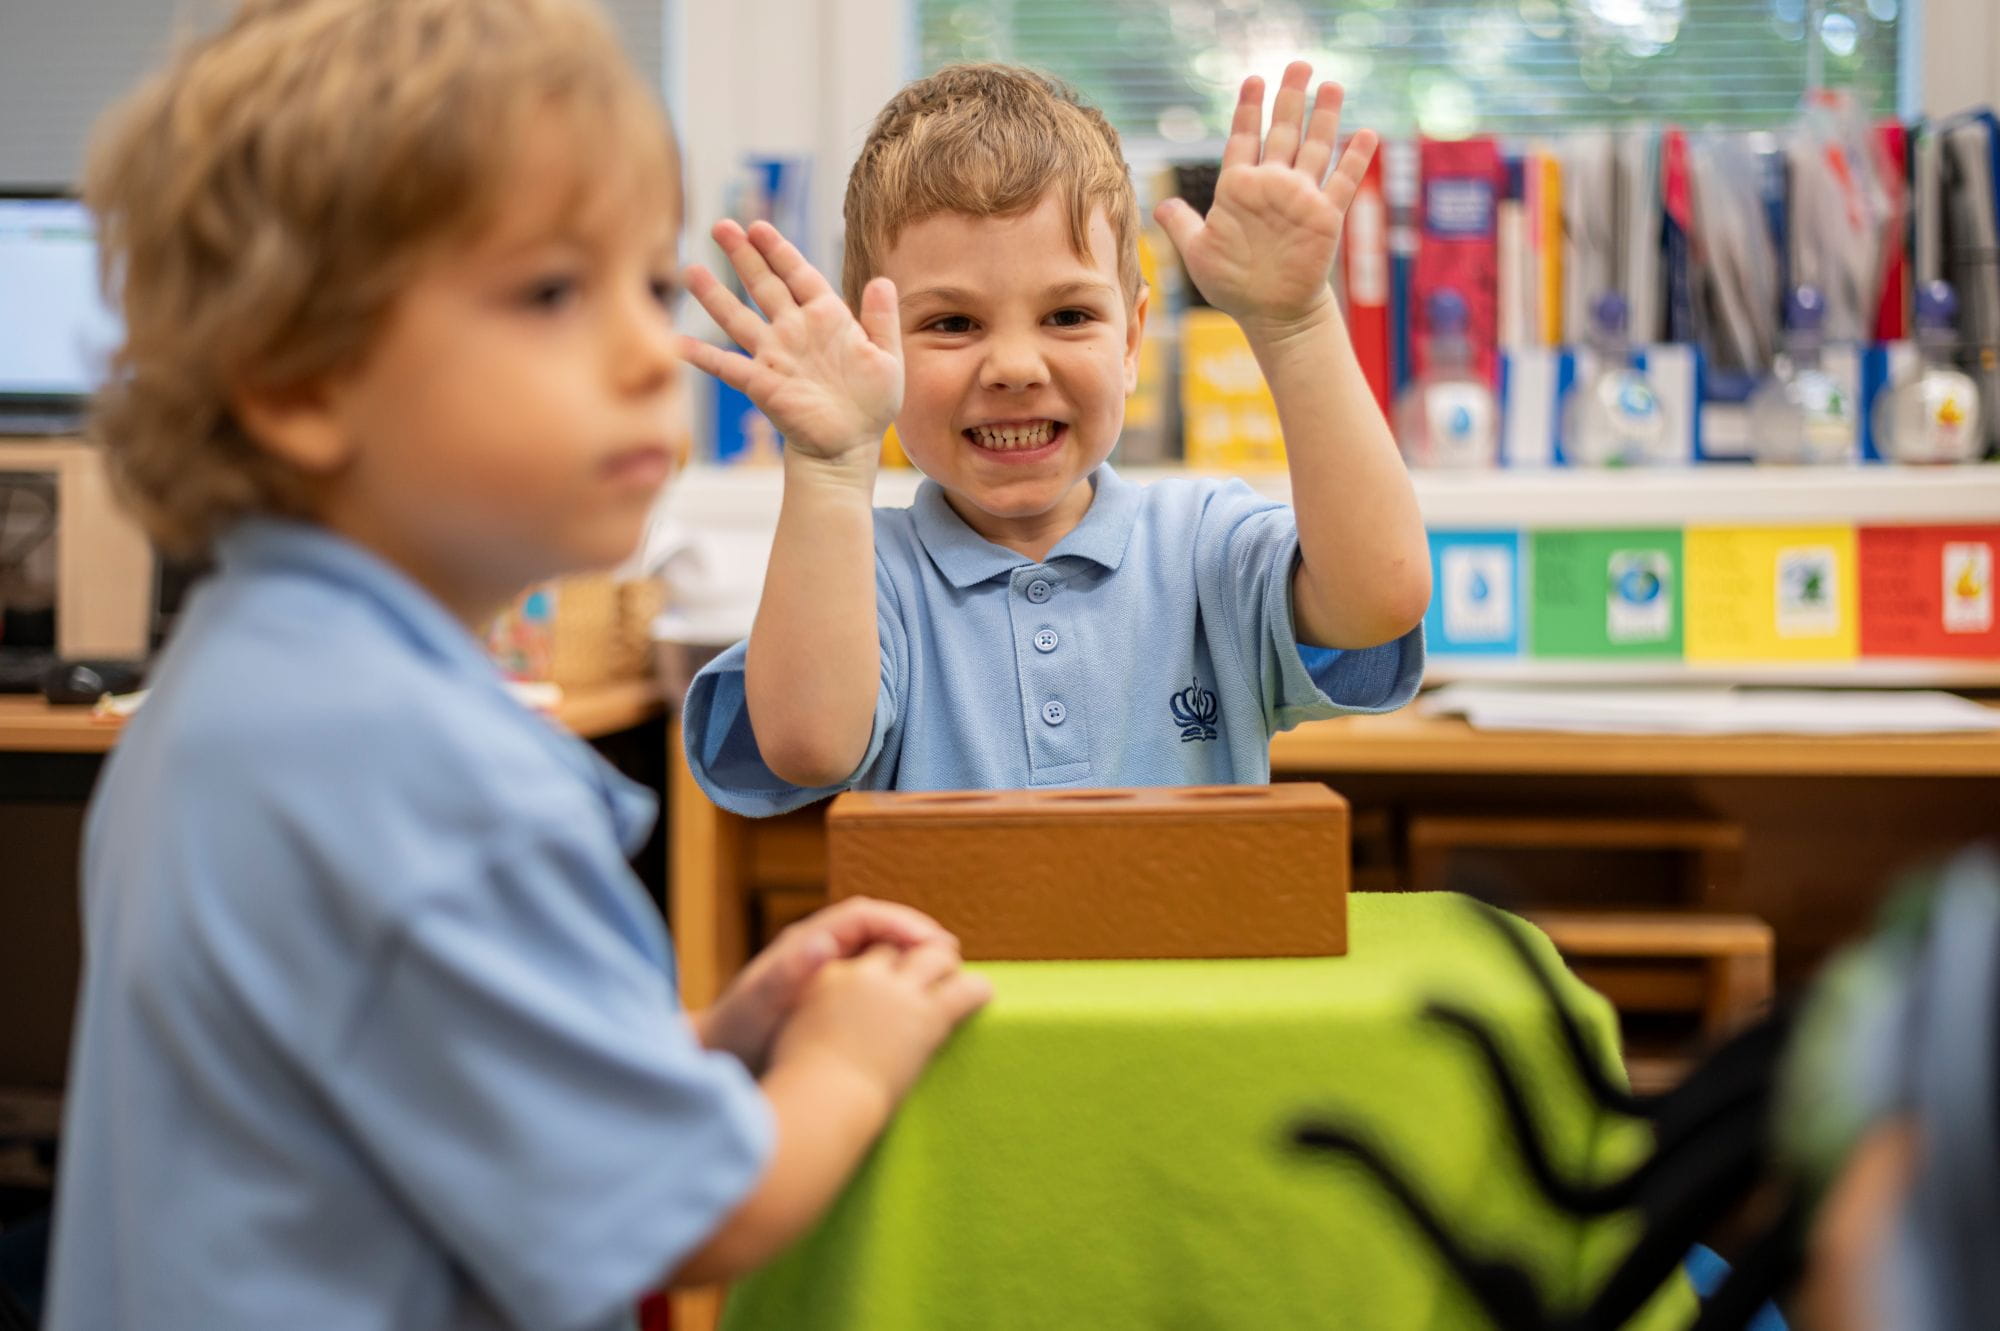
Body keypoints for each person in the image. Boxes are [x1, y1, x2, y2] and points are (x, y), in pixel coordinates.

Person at [45, 3, 988, 1328]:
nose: (651, 349)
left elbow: (413, 1071)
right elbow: (709, 1212)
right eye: (551, 291)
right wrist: (846, 1056)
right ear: (299, 378)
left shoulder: (244, 674)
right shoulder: (427, 771)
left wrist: (705, 1042)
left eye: (649, 289)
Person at [678, 61, 1431, 818]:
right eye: (951, 323)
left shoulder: (1205, 545)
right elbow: (807, 746)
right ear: (873, 345)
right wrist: (830, 467)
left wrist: (1294, 326)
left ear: (1132, 341)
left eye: (1068, 315)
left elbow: (1383, 596)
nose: (1013, 366)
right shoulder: (860, 575)